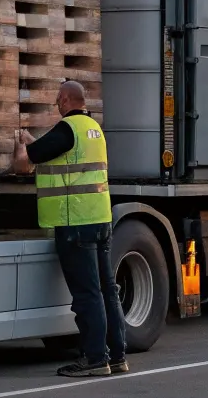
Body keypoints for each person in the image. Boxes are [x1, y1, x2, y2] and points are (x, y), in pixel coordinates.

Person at [14, 80, 130, 377]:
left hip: (75, 223)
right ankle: (117, 356)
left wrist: (20, 145)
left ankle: (94, 359)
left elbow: (24, 164)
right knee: (107, 291)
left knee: (87, 295)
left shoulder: (67, 129)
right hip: (101, 219)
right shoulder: (93, 130)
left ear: (66, 100)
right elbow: (54, 151)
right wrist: (34, 141)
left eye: (57, 100)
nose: (56, 104)